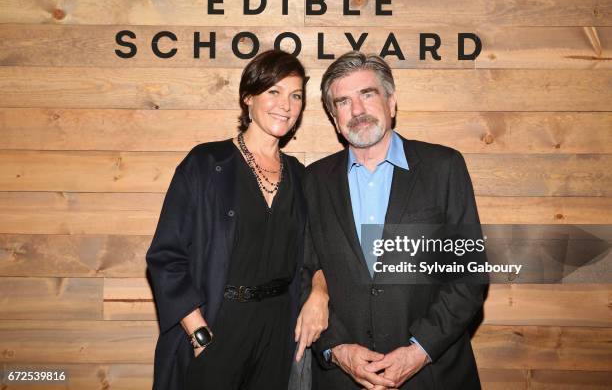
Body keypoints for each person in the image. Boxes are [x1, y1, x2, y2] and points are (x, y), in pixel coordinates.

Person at [146, 49, 329, 390]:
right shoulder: (205, 164)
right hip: (217, 323)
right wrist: (198, 332)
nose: (285, 105)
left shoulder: (302, 178)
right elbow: (165, 256)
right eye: (273, 91)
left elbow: (317, 253)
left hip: (278, 331)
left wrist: (320, 291)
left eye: (295, 96)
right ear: (248, 97)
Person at [304, 51, 487, 389]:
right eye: (343, 102)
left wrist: (418, 351)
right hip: (342, 379)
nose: (357, 111)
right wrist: (338, 348)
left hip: (432, 374)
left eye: (367, 94)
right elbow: (302, 272)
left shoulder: (443, 167)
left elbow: (469, 276)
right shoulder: (312, 181)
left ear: (391, 102)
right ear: (333, 117)